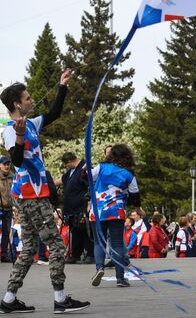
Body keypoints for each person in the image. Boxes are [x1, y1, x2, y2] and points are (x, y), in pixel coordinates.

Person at [0, 72, 90, 313]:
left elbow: (54, 114)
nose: (32, 100)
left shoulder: (31, 123)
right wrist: (19, 137)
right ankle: (60, 299)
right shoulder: (10, 130)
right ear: (18, 104)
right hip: (30, 194)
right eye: (28, 98)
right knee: (57, 246)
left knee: (29, 249)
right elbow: (17, 161)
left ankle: (8, 300)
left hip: (33, 193)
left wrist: (61, 86)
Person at [89, 143, 141, 288]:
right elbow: (135, 195)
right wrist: (138, 208)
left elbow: (85, 176)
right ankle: (120, 278)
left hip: (98, 210)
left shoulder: (101, 167)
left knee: (99, 242)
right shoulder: (128, 174)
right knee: (117, 242)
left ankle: (99, 268)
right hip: (116, 210)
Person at [60, 152, 94, 264]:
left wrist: (89, 203)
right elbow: (62, 180)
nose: (66, 166)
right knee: (75, 230)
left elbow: (90, 186)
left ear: (70, 161)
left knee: (86, 230)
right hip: (72, 207)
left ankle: (90, 254)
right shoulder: (71, 171)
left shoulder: (85, 168)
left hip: (82, 205)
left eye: (66, 164)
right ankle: (75, 254)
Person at [0, 156, 13, 263]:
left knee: (6, 232)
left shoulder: (13, 176)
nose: (7, 166)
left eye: (8, 164)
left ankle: (4, 254)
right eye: (4, 164)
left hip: (8, 208)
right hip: (0, 207)